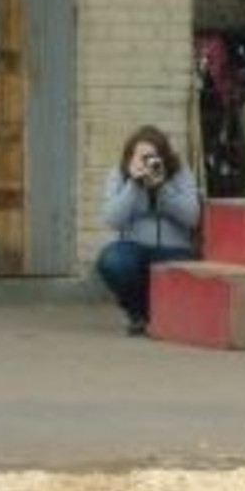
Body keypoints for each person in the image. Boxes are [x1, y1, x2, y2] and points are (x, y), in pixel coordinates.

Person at [94, 126, 202, 335]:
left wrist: (162, 188)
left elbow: (192, 217)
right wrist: (133, 186)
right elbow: (112, 220)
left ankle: (155, 317)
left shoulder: (179, 173)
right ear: (130, 157)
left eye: (152, 157)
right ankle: (139, 314)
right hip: (133, 248)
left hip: (174, 249)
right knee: (112, 260)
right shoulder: (118, 174)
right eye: (141, 157)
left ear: (164, 157)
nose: (147, 163)